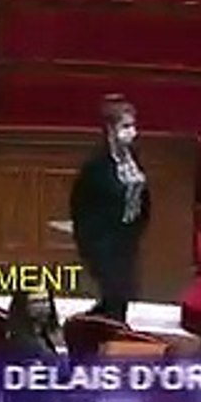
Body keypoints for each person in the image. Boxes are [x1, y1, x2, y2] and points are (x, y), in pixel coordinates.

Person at [70, 95, 151, 323]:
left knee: (119, 295)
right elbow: (80, 204)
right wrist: (90, 241)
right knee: (115, 291)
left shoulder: (133, 157)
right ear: (110, 129)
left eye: (133, 126)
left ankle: (105, 328)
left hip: (126, 238)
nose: (132, 132)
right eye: (125, 126)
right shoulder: (96, 165)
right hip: (102, 240)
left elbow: (141, 193)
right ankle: (110, 335)